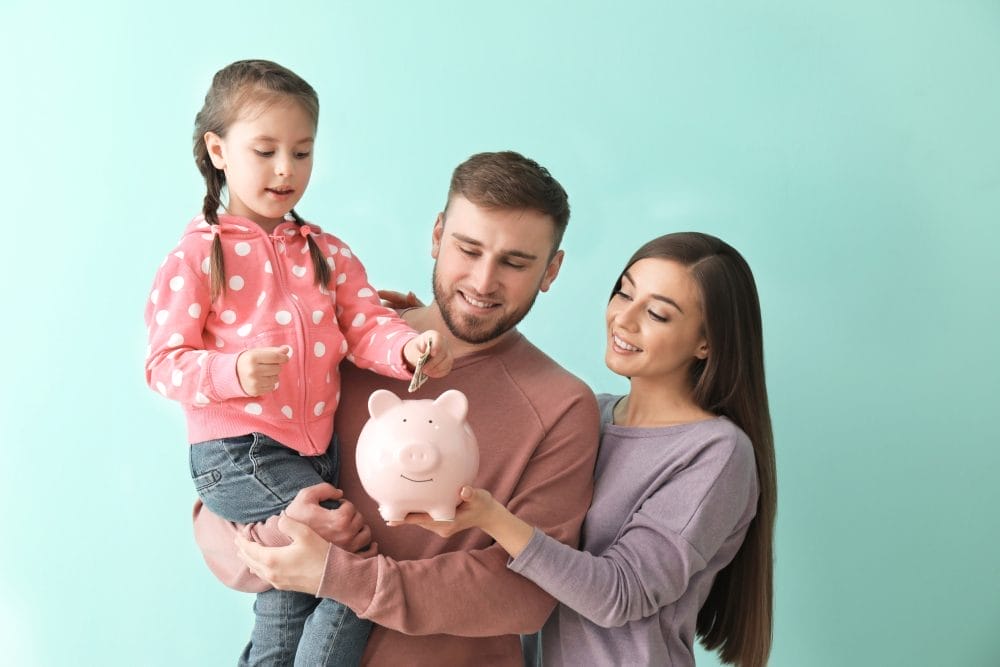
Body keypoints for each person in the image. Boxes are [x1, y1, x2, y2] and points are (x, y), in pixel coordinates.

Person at [193, 150, 602, 666]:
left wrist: (341, 576)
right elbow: (215, 510)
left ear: (552, 269)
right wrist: (284, 536)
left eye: (515, 263)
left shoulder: (562, 405)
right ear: (436, 235)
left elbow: (525, 594)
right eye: (467, 249)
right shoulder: (331, 342)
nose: (482, 281)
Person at [144, 59, 452, 667]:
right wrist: (230, 373)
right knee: (354, 565)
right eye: (266, 150)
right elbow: (162, 364)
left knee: (292, 590)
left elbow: (366, 324)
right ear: (218, 150)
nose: (287, 169)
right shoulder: (195, 257)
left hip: (313, 454)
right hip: (237, 454)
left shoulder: (325, 251)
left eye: (302, 152)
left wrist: (409, 349)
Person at [402, 232, 777, 666]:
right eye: (624, 292)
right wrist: (412, 327)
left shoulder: (717, 453)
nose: (624, 319)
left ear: (706, 342)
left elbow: (620, 595)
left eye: (656, 313)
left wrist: (493, 520)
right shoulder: (587, 416)